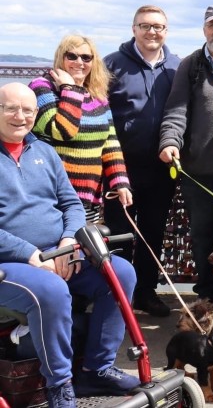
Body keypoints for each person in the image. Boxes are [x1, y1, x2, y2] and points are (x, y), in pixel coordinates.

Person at [0, 83, 140, 408]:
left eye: (27, 110)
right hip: (12, 263)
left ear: (36, 114)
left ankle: (96, 369)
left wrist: (69, 240)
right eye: (10, 108)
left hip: (59, 253)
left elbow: (72, 204)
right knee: (50, 291)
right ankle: (59, 387)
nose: (20, 116)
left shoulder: (45, 152)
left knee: (120, 272)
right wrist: (31, 256)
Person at [159, 5, 213, 308]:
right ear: (204, 30)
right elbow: (176, 110)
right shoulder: (191, 65)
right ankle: (207, 295)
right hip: (199, 172)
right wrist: (170, 141)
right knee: (201, 236)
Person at [103, 5, 181, 317]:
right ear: (134, 28)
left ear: (166, 31)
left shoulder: (178, 66)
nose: (152, 32)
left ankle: (146, 292)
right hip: (120, 167)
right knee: (120, 233)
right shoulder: (111, 64)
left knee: (153, 232)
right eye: (145, 26)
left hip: (162, 168)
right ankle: (118, 296)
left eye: (158, 26)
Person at [29, 35, 133, 224]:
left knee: (82, 250)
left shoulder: (97, 95)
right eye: (72, 56)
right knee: (59, 249)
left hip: (89, 197)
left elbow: (110, 143)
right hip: (52, 196)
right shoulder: (42, 87)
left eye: (86, 58)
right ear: (61, 58)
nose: (80, 62)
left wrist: (120, 182)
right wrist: (70, 88)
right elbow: (62, 131)